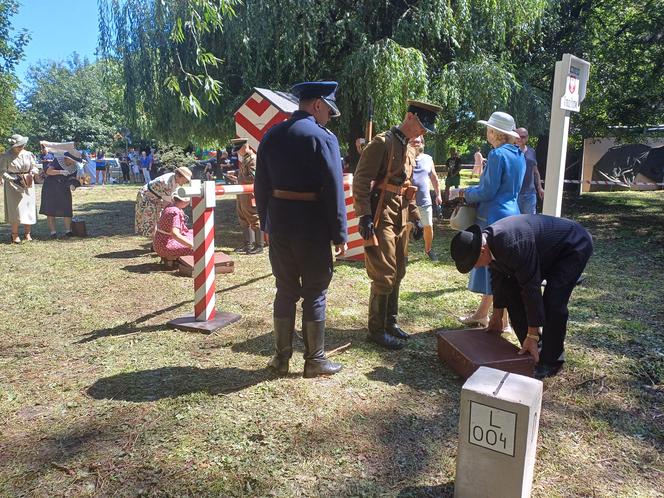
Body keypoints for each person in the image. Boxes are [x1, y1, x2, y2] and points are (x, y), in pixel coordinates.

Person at [254, 80, 347, 378]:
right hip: (312, 226)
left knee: (285, 289)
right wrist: (340, 233)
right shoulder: (323, 138)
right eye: (328, 112)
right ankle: (315, 360)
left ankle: (280, 359)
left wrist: (267, 222)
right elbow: (334, 189)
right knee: (315, 291)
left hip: (280, 223)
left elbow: (261, 185)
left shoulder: (272, 134)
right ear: (318, 104)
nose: (328, 118)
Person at [450, 215, 593, 379]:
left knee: (553, 302)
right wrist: (497, 314)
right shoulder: (490, 243)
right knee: (511, 293)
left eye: (473, 263)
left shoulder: (512, 244)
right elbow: (498, 276)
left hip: (572, 247)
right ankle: (534, 350)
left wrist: (532, 334)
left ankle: (551, 362)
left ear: (482, 250)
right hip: (544, 252)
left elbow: (531, 288)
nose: (475, 267)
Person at [354, 99, 442, 350]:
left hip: (401, 216)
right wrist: (364, 215)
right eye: (422, 125)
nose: (424, 132)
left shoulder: (409, 150)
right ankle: (376, 330)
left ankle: (390, 322)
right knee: (384, 272)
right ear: (410, 117)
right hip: (381, 215)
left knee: (399, 271)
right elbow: (361, 180)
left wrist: (414, 218)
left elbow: (406, 189)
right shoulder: (382, 143)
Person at [456, 111, 525, 328]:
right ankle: (490, 315)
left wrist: (465, 193)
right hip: (513, 214)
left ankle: (498, 318)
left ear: (495, 132)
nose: (487, 132)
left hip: (492, 216)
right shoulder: (519, 154)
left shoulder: (497, 155)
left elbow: (487, 191)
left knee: (491, 267)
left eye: (488, 128)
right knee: (501, 267)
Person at [227, 138, 264, 254]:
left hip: (249, 194)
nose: (238, 152)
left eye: (238, 150)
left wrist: (238, 178)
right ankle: (247, 244)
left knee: (254, 218)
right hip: (243, 193)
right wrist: (237, 175)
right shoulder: (246, 159)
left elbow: (253, 178)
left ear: (244, 147)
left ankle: (259, 246)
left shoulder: (252, 159)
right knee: (243, 218)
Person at [0, 134, 39, 243]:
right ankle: (14, 234)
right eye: (18, 146)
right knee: (15, 210)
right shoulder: (5, 156)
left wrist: (32, 173)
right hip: (13, 185)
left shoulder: (28, 154)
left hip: (28, 183)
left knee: (28, 208)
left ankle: (27, 233)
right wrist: (13, 179)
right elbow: (2, 171)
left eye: (22, 145)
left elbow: (35, 167)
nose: (21, 147)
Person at [409, 135, 442, 261]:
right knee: (406, 228)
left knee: (428, 226)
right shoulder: (403, 158)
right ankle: (404, 254)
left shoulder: (428, 159)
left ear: (422, 143)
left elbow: (434, 178)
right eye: (412, 141)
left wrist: (438, 194)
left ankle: (428, 250)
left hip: (424, 200)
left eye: (417, 142)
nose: (415, 144)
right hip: (408, 201)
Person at [134, 166, 192, 238]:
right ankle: (155, 242)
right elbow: (167, 206)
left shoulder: (174, 179)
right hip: (147, 196)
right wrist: (177, 212)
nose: (184, 183)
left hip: (157, 197)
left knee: (159, 218)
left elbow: (172, 197)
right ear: (178, 176)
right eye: (184, 180)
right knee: (151, 220)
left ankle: (157, 240)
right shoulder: (167, 183)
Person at [40, 151, 83, 238]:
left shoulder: (74, 167)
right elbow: (48, 171)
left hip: (64, 187)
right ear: (68, 158)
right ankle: (53, 232)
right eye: (73, 160)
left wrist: (73, 185)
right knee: (50, 209)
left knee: (67, 208)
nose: (74, 162)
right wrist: (60, 172)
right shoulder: (57, 160)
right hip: (51, 186)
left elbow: (72, 178)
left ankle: (68, 231)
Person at [153, 193, 193, 264]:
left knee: (195, 234)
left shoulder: (170, 206)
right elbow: (175, 234)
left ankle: (171, 259)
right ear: (185, 202)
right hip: (165, 246)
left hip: (159, 242)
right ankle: (173, 259)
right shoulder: (175, 212)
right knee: (199, 247)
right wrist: (191, 245)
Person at [516, 127, 544, 214]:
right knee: (515, 221)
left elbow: (535, 172)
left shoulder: (532, 151)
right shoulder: (510, 151)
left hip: (530, 193)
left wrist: (540, 188)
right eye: (517, 136)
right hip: (514, 193)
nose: (520, 138)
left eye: (523, 137)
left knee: (530, 221)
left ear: (527, 138)